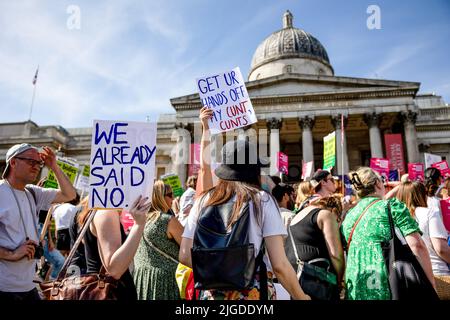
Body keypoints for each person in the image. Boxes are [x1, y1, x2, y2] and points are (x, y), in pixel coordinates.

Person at [179, 139, 310, 300]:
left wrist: (218, 269)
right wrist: (301, 297)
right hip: (252, 292)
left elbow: (184, 255)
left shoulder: (203, 200)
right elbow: (279, 265)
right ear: (254, 171)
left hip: (212, 294)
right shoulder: (262, 200)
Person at [341, 167, 435, 300]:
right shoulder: (391, 207)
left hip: (357, 286)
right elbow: (417, 245)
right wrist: (430, 283)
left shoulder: (349, 216)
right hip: (386, 285)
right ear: (378, 184)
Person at [0, 144, 76, 300]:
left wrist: (53, 166)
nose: (37, 167)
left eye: (39, 163)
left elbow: (69, 194)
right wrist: (12, 254)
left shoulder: (33, 192)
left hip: (28, 285)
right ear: (13, 163)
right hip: (4, 287)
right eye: (31, 161)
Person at [76, 194, 151, 300]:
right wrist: (139, 224)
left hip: (101, 290)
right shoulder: (106, 212)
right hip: (109, 292)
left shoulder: (98, 210)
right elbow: (114, 270)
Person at [285, 195, 345, 300]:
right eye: (338, 220)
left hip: (298, 281)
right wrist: (340, 281)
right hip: (318, 284)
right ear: (334, 210)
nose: (338, 223)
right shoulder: (325, 214)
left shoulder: (296, 217)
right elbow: (336, 256)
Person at [133, 181, 184, 300]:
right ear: (159, 197)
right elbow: (189, 246)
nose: (173, 198)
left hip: (142, 279)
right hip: (165, 280)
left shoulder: (140, 220)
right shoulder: (168, 221)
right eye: (170, 195)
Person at [397, 181, 450, 276]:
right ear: (421, 195)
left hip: (407, 274)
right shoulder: (429, 213)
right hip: (436, 272)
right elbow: (441, 248)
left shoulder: (394, 218)